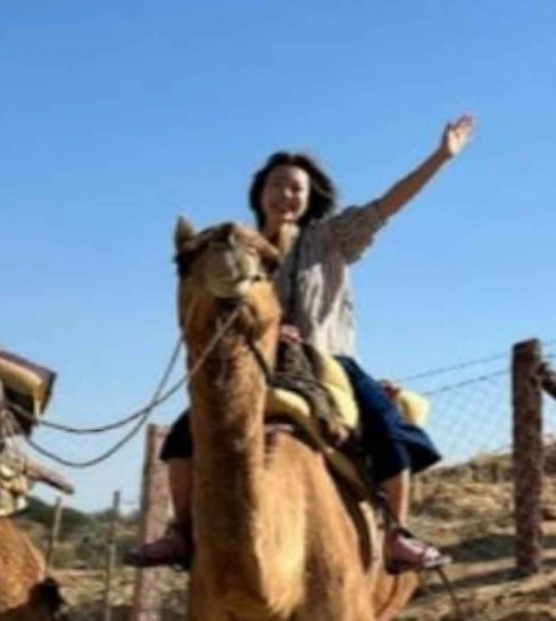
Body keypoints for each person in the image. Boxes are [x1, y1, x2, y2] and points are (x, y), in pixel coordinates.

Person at [131, 115, 476, 573]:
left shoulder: (330, 237)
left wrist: (440, 157)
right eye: (277, 185)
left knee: (386, 427)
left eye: (296, 187)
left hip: (325, 360)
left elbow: (386, 206)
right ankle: (182, 532)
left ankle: (395, 535)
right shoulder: (241, 251)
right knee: (180, 439)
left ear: (310, 196)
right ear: (261, 193)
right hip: (257, 365)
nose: (286, 194)